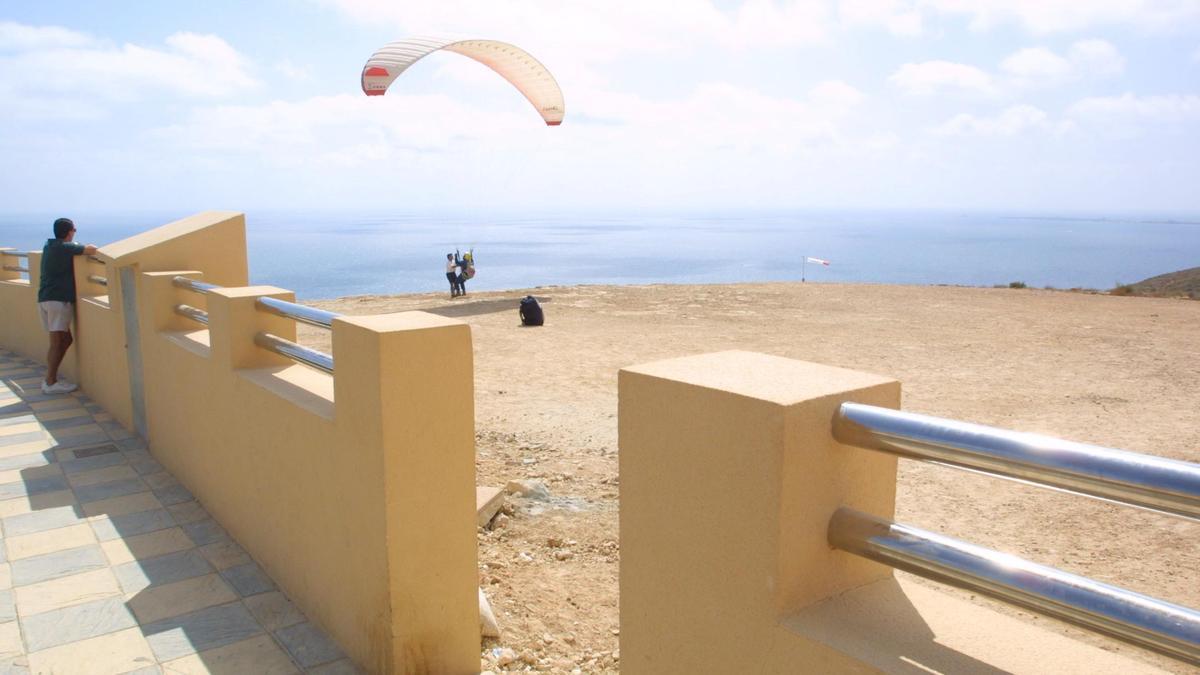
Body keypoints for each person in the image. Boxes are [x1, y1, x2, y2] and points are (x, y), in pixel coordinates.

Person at [38, 217, 97, 394]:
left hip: (46, 298)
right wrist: (79, 244)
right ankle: (50, 382)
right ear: (70, 231)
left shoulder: (49, 246)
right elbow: (92, 250)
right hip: (58, 300)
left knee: (63, 340)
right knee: (57, 342)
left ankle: (49, 379)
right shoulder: (65, 248)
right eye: (74, 230)